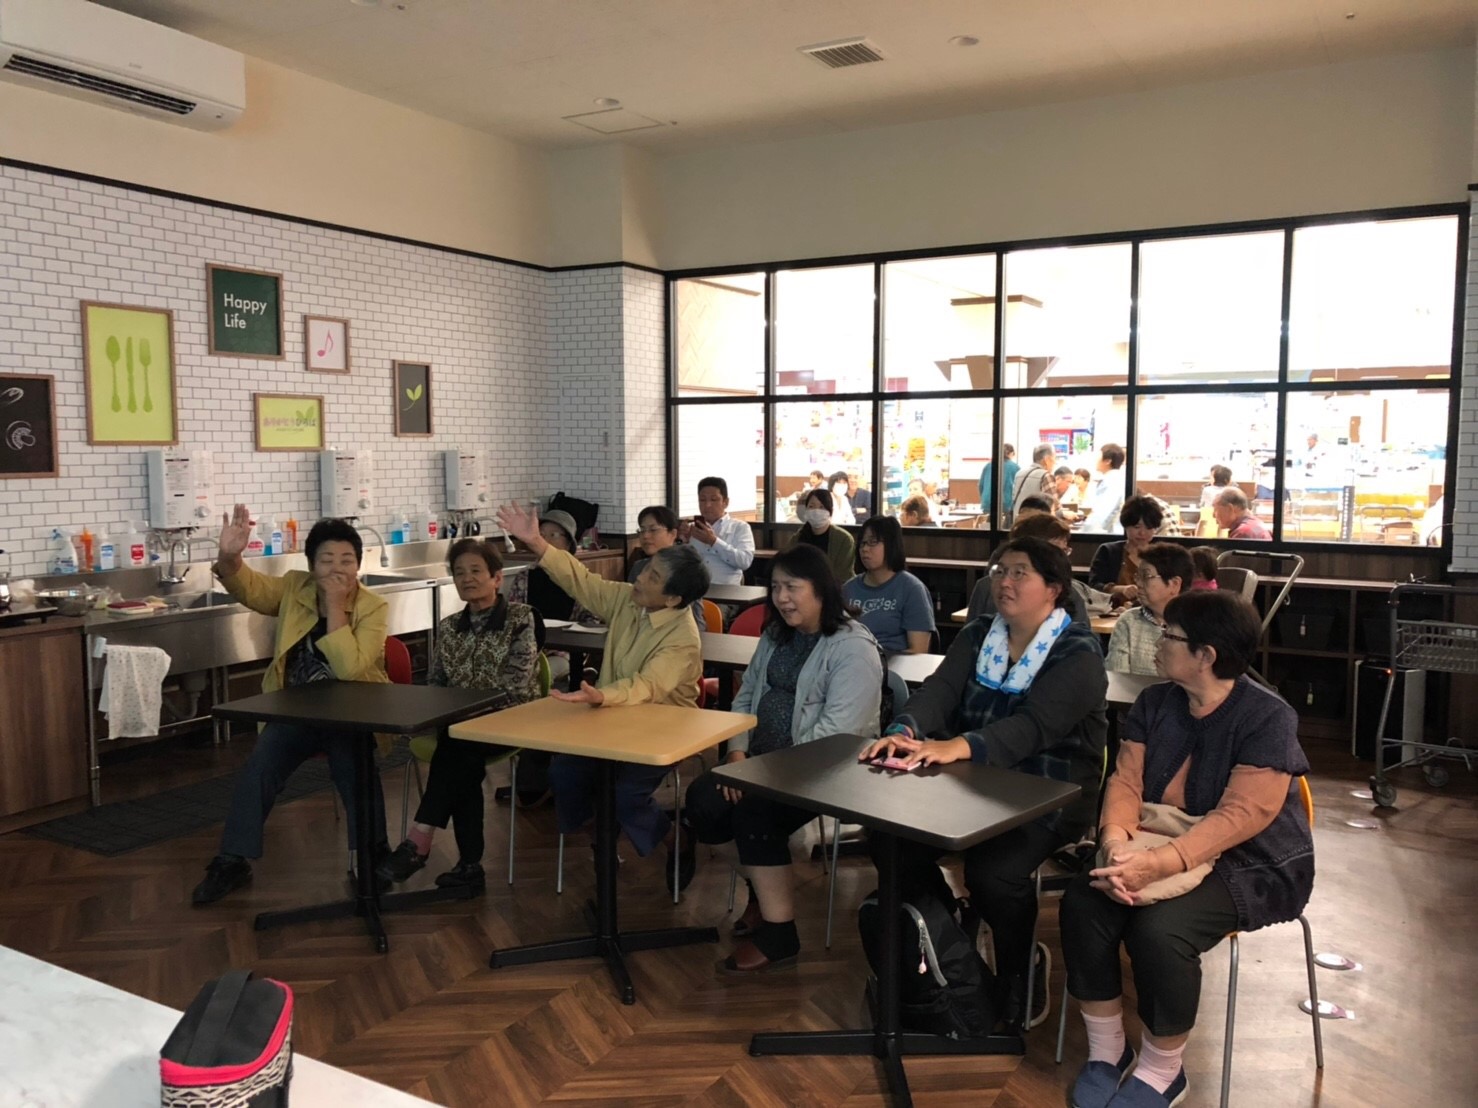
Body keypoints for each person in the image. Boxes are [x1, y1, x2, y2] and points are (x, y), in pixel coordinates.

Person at [1060, 590, 1312, 1108]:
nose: (1158, 641)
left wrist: (1156, 864)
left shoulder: (1268, 717)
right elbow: (1125, 783)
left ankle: (1163, 1071)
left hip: (1251, 859)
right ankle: (1108, 1051)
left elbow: (1242, 816)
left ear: (1206, 655)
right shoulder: (1155, 702)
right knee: (1084, 901)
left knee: (1160, 929)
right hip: (1152, 840)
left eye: (1169, 634)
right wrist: (1114, 844)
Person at [863, 538, 1108, 1030]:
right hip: (971, 783)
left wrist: (959, 745)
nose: (1004, 582)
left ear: (1053, 589)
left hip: (1049, 791)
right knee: (890, 840)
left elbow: (1034, 727)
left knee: (993, 874)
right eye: (999, 571)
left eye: (1020, 573)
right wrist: (905, 728)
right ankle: (949, 934)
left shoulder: (1078, 651)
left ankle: (1020, 966)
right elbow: (940, 690)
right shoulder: (978, 633)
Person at [685, 544, 882, 973]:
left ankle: (780, 935)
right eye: (775, 587)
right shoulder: (777, 634)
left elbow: (837, 735)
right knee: (702, 801)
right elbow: (746, 695)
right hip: (761, 761)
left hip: (829, 769)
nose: (782, 598)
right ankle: (763, 890)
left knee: (754, 812)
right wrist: (738, 752)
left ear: (821, 589)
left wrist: (760, 773)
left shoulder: (853, 648)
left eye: (792, 587)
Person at [497, 500, 710, 892]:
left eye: (653, 576)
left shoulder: (683, 638)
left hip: (664, 729)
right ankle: (601, 838)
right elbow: (582, 581)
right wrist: (537, 543)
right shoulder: (629, 600)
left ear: (673, 599)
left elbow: (646, 686)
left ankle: (674, 838)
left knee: (625, 794)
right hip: (611, 718)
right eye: (647, 568)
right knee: (564, 772)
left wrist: (601, 696)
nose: (641, 578)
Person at [192, 507, 390, 905]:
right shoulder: (294, 588)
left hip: (352, 714)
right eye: (327, 560)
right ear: (311, 565)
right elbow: (249, 588)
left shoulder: (373, 607)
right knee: (260, 767)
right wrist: (230, 557)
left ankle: (373, 856)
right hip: (295, 713)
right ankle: (232, 860)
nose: (337, 568)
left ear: (359, 565)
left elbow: (350, 668)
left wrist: (335, 606)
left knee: (355, 766)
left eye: (347, 560)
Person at [377, 540, 541, 890]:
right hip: (461, 728)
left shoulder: (521, 618)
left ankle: (422, 841)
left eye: (476, 571)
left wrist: (463, 716)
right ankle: (467, 867)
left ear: (497, 578)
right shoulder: (450, 626)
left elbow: (514, 685)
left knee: (457, 747)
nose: (467, 578)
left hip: (511, 719)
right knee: (461, 755)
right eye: (459, 572)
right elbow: (436, 683)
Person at [966, 513, 1092, 629]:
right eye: (1056, 551)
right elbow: (970, 638)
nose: (1062, 558)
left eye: (1064, 551)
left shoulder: (1068, 593)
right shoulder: (985, 588)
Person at [843, 515, 936, 654]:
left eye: (873, 542)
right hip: (851, 661)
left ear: (891, 545)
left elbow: (918, 651)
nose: (865, 549)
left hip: (895, 663)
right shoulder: (848, 589)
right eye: (862, 543)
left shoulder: (911, 589)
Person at [1104, 543, 1194, 676]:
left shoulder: (1198, 625)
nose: (1138, 584)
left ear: (1174, 584)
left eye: (1146, 577)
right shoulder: (1129, 621)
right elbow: (1117, 677)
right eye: (1138, 576)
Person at [629, 504, 705, 626]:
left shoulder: (685, 568)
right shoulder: (638, 567)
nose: (645, 536)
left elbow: (695, 621)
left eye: (653, 530)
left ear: (673, 534)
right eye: (642, 530)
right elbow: (631, 607)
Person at [680, 476, 756, 586]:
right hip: (695, 590)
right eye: (702, 500)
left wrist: (713, 541)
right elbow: (678, 565)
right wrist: (683, 542)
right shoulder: (691, 529)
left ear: (726, 502)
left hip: (727, 591)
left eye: (714, 500)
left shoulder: (740, 527)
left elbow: (744, 562)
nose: (707, 505)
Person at [1088, 496, 1163, 605]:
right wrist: (1120, 589)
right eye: (1137, 527)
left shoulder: (1163, 555)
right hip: (1113, 610)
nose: (1142, 533)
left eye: (1149, 528)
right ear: (1126, 525)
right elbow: (1093, 586)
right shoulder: (1108, 551)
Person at [783, 487, 856, 581]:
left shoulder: (844, 539)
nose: (816, 511)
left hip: (833, 588)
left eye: (822, 507)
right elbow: (788, 569)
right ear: (806, 510)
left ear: (830, 511)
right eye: (811, 506)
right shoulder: (797, 538)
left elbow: (844, 575)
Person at [524, 508, 582, 622]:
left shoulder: (580, 577)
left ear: (568, 544)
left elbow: (592, 619)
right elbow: (514, 616)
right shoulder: (524, 577)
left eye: (553, 535)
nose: (545, 540)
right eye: (541, 534)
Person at [1082, 444, 1127, 533]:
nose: (1096, 461)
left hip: (1109, 532)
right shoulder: (1114, 479)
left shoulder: (1112, 481)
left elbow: (1102, 513)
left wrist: (1085, 531)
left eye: (1098, 457)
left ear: (1107, 461)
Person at [1010, 444, 1058, 516]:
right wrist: (1063, 513)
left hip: (1019, 520)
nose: (1055, 463)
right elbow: (1053, 506)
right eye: (1054, 459)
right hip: (1036, 521)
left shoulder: (1019, 474)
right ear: (1047, 460)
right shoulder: (1046, 476)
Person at [979, 444, 1019, 518]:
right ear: (1011, 453)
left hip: (987, 503)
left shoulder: (988, 466)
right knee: (1005, 524)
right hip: (1005, 504)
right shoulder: (1015, 467)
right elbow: (1018, 487)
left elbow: (980, 485)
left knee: (988, 524)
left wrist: (985, 499)